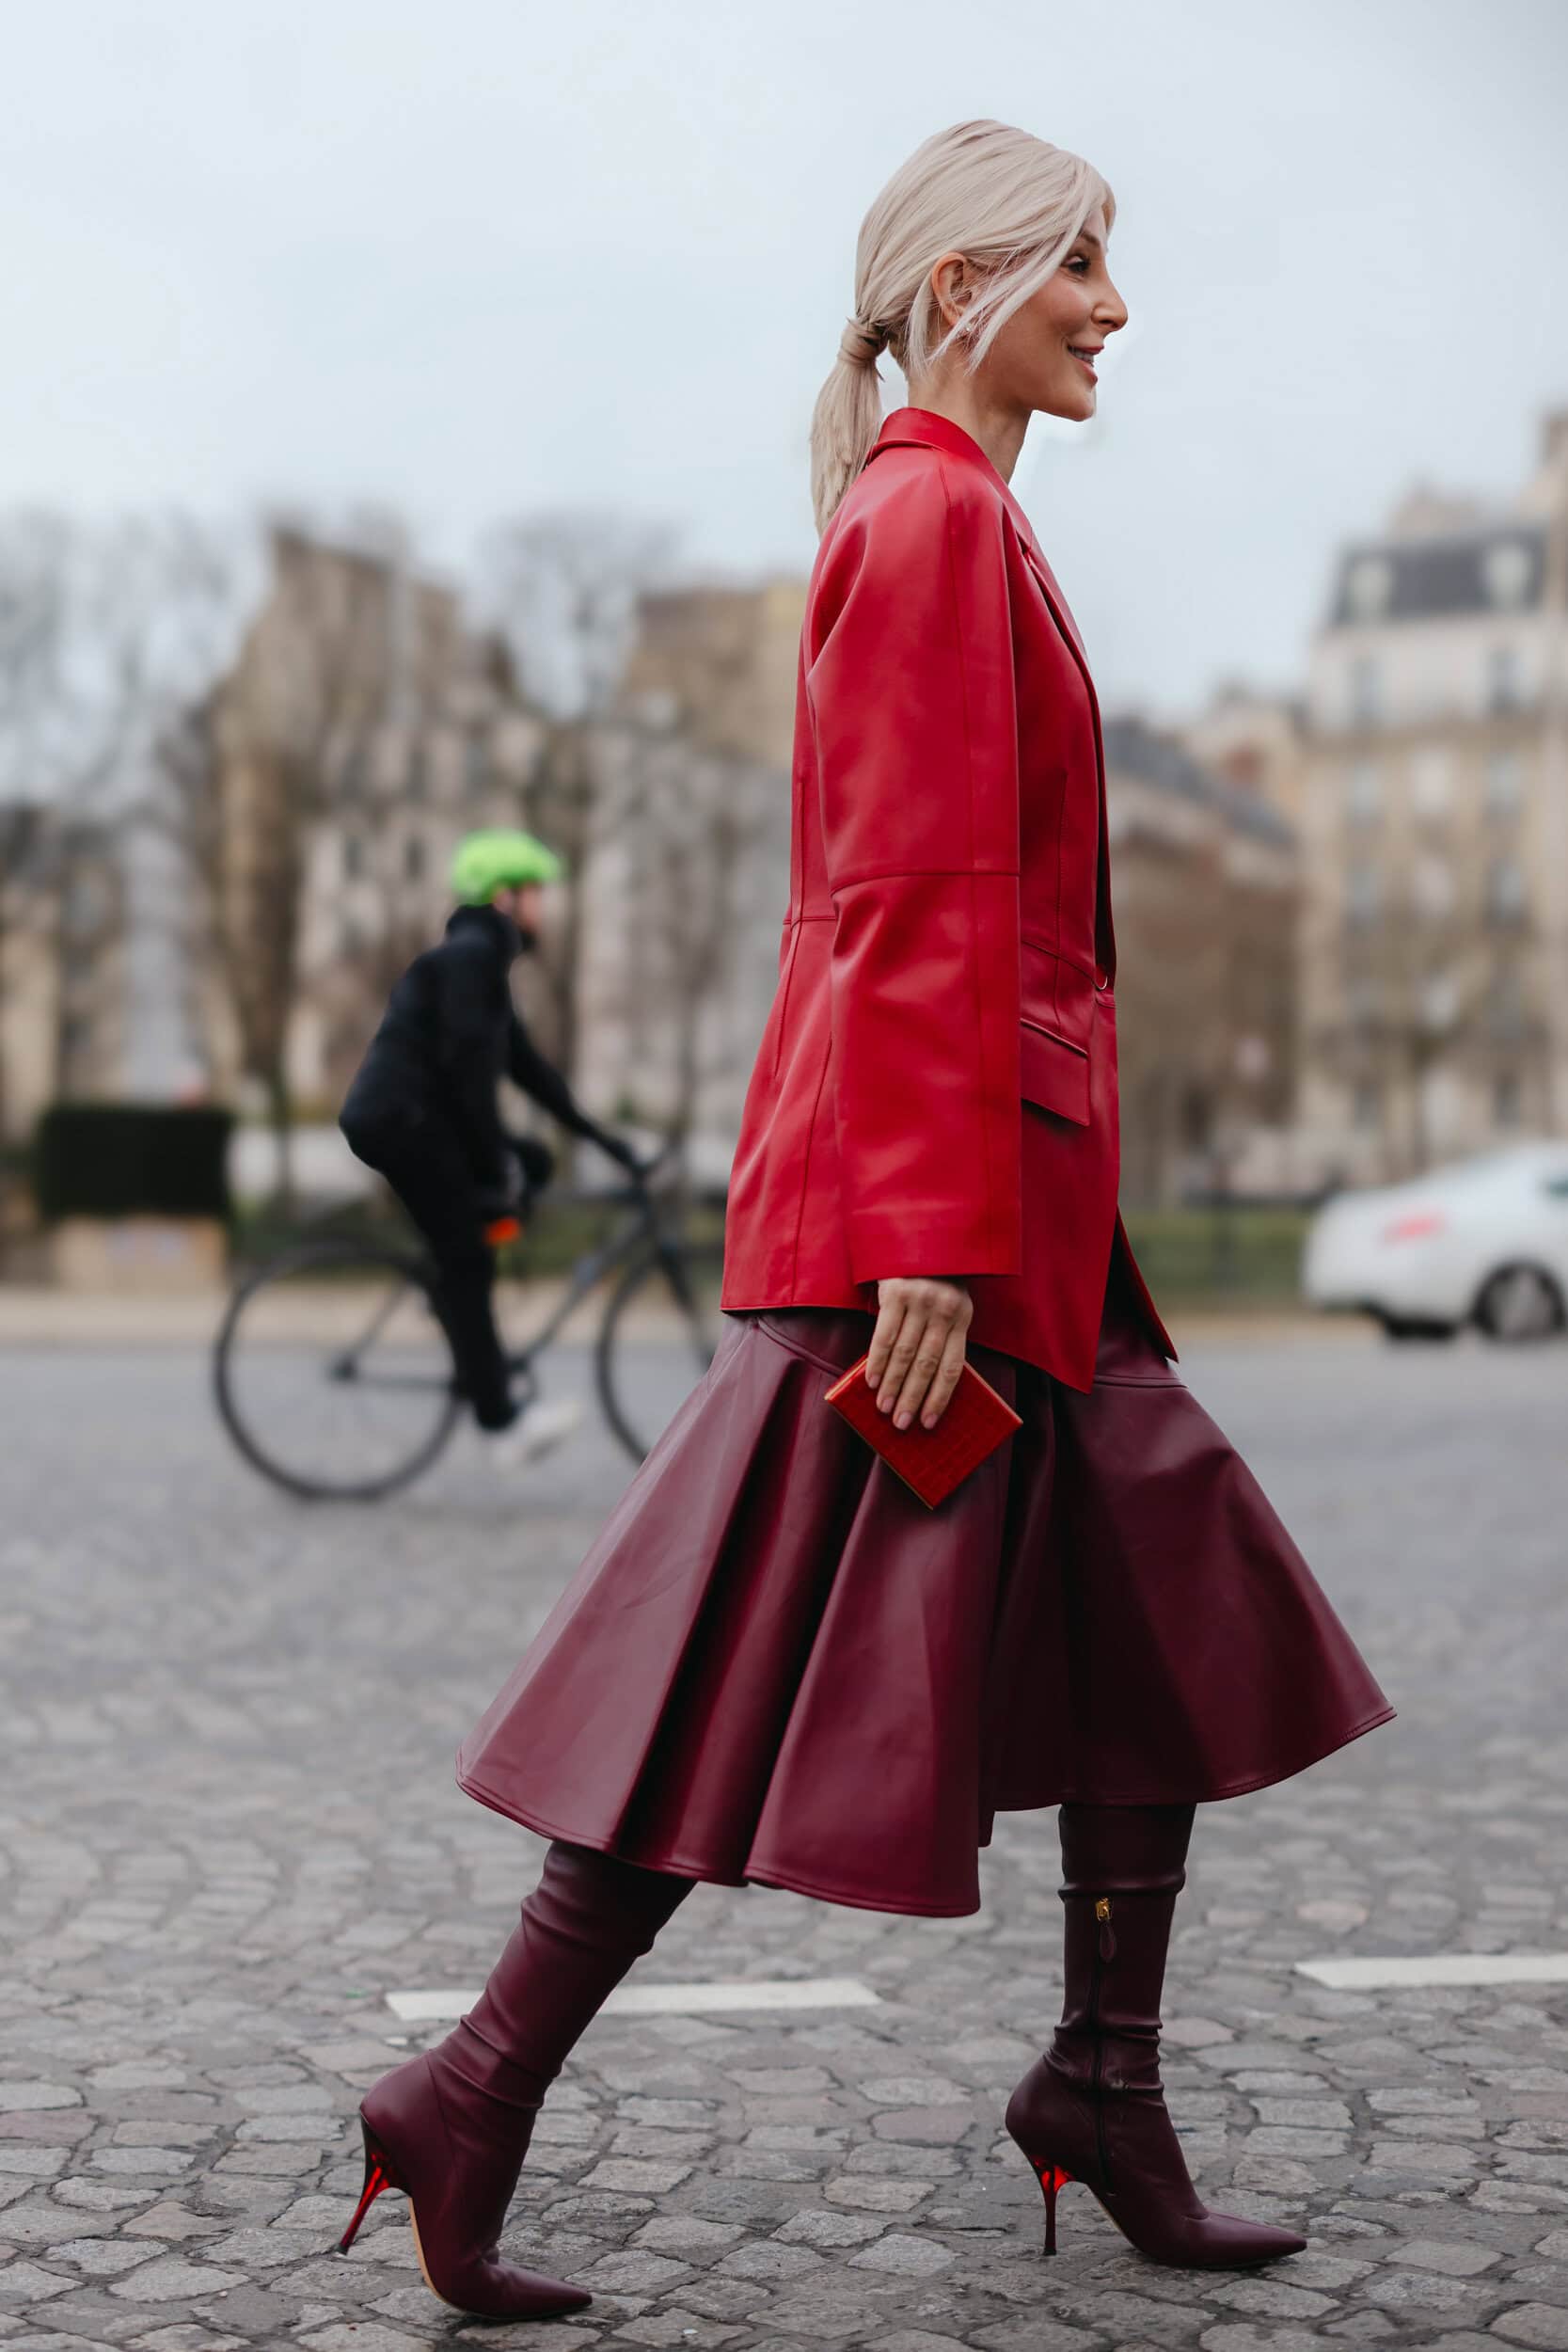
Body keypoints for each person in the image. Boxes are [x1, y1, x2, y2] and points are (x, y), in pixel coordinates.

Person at [336, 123, 1394, 2319]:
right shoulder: (928, 520)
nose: (1115, 304)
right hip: (936, 1229)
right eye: (1079, 262)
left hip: (1013, 1208)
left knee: (1157, 1617)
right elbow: (908, 902)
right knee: (722, 1677)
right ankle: (471, 2086)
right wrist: (925, 1235)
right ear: (958, 287)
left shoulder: (963, 519)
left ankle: (1101, 2075)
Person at [339, 829, 639, 1449]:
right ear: (504, 897)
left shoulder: (476, 959)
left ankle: (460, 1318)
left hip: (409, 1119)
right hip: (405, 1121)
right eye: (535, 893)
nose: (542, 908)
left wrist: (606, 1144)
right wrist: (494, 1158)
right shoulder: (472, 959)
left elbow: (528, 1071)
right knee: (470, 1254)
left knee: (524, 1171)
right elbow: (468, 1073)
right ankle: (500, 1419)